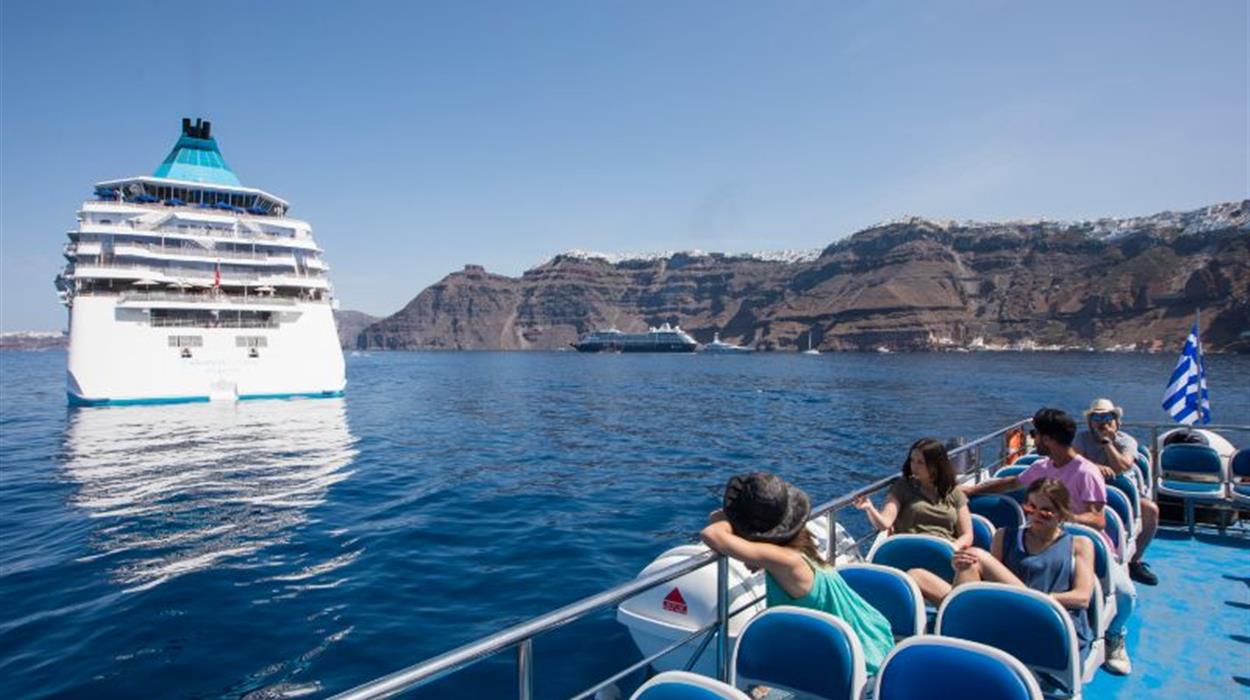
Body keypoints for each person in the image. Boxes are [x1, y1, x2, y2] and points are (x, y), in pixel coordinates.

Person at [963, 407, 1135, 675]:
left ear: (1048, 439)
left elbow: (1098, 519)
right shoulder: (1042, 467)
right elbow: (1011, 482)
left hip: (1079, 543)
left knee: (1125, 594)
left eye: (1036, 435)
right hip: (1039, 538)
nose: (1033, 439)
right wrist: (972, 490)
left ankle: (1114, 636)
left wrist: (1058, 516)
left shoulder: (1086, 472)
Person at [701, 472, 894, 675]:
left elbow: (712, 533)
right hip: (862, 637)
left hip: (858, 656)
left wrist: (734, 520)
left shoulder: (786, 561)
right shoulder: (798, 543)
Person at [951, 479, 1095, 696]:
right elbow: (990, 587)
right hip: (1010, 617)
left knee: (977, 556)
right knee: (968, 564)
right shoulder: (1004, 536)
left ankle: (961, 651)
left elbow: (1082, 597)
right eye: (1031, 507)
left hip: (1053, 624)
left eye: (1046, 511)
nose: (1036, 515)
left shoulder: (1080, 544)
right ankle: (961, 655)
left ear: (1062, 513)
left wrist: (1042, 601)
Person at [1073, 398, 1160, 586]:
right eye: (1097, 418)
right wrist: (1095, 467)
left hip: (1122, 490)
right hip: (1087, 489)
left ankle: (1134, 561)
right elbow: (1073, 460)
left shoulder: (1127, 441)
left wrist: (1107, 443)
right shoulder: (1081, 438)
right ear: (1090, 421)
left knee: (1150, 510)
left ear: (1117, 421)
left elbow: (1122, 467)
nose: (1102, 422)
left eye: (1107, 417)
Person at [854, 438, 973, 547]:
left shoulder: (953, 492)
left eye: (920, 462)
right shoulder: (903, 486)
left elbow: (967, 534)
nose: (914, 466)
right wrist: (869, 508)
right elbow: (885, 523)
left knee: (977, 555)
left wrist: (952, 549)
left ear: (936, 465)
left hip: (945, 550)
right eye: (912, 460)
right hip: (911, 549)